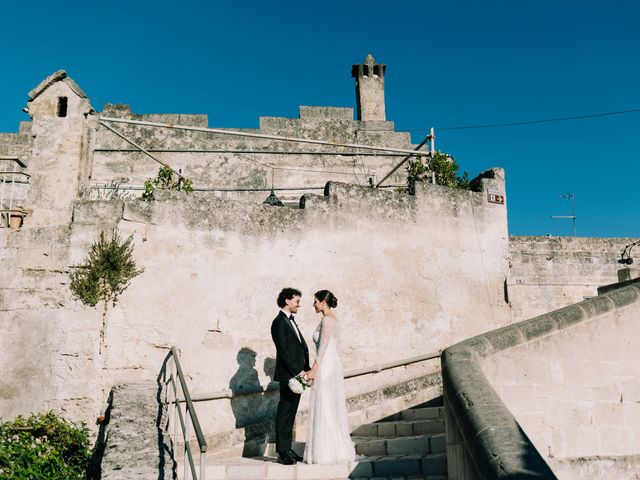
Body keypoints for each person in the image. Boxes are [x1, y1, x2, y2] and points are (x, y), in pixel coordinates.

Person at [303, 290, 356, 464]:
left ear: (323, 303)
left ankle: (326, 452)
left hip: (326, 365)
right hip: (333, 364)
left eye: (315, 301)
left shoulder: (327, 320)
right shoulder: (334, 319)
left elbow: (323, 347)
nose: (314, 305)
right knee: (328, 405)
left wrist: (313, 370)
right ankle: (334, 448)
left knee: (325, 404)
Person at [271, 287, 310, 465]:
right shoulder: (278, 322)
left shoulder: (291, 321)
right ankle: (281, 452)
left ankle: (287, 448)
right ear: (287, 301)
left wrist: (307, 368)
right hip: (289, 375)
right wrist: (298, 370)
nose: (298, 305)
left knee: (291, 413)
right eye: (297, 301)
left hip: (298, 374)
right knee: (285, 413)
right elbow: (284, 352)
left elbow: (300, 346)